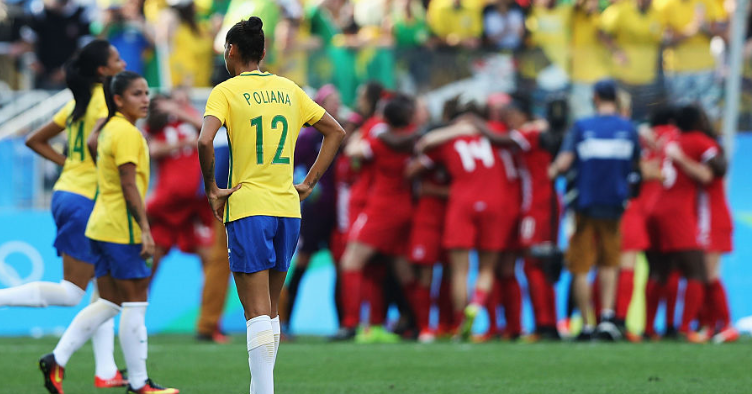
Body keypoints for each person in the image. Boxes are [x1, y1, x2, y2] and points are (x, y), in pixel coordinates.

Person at [197, 17, 345, 394]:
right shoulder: (289, 89)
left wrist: (213, 189)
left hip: (248, 206)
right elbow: (335, 131)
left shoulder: (226, 91)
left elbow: (203, 141)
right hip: (288, 208)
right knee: (271, 309)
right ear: (263, 52)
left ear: (231, 51)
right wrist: (308, 181)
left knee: (256, 311)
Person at [39, 71, 178, 394]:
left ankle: (57, 358)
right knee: (135, 304)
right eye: (136, 94)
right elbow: (129, 183)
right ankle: (140, 383)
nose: (145, 100)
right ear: (117, 100)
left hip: (99, 224)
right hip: (121, 228)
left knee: (111, 303)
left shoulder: (107, 129)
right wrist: (145, 229)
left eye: (146, 92)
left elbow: (90, 144)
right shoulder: (127, 134)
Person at [11, 39, 128, 389]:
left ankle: (106, 370)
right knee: (73, 292)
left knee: (104, 287)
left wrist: (70, 165)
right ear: (102, 70)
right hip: (85, 200)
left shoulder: (79, 100)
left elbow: (35, 139)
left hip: (70, 193)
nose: (124, 63)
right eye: (117, 59)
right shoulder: (107, 101)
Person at [548, 79, 640, 341]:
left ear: (596, 97)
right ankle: (607, 319)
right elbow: (637, 166)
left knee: (580, 266)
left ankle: (586, 324)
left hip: (584, 205)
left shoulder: (582, 127)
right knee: (609, 263)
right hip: (615, 205)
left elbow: (564, 163)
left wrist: (551, 172)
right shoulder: (628, 128)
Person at [143, 92, 230, 343]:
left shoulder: (193, 121)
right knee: (152, 260)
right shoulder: (154, 127)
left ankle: (211, 324)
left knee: (213, 261)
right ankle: (135, 315)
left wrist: (181, 109)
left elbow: (208, 132)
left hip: (197, 206)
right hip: (167, 208)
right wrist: (183, 145)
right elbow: (152, 150)